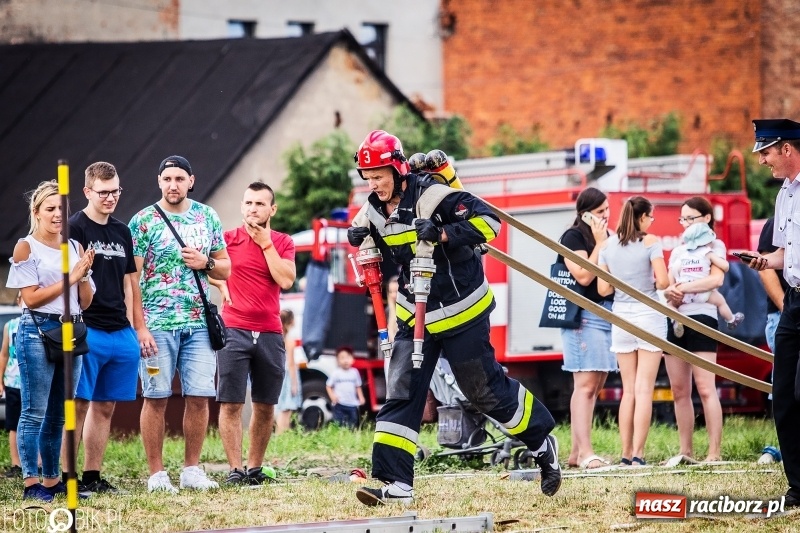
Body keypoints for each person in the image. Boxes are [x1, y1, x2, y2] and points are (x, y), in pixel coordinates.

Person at [347, 130, 560, 505]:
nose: (374, 184)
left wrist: (444, 233)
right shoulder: (373, 210)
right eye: (369, 178)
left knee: (484, 391)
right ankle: (396, 484)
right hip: (417, 313)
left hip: (463, 310)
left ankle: (542, 443)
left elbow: (490, 223)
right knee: (402, 389)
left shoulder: (434, 195)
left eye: (380, 175)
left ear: (397, 170)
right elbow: (389, 256)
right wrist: (363, 239)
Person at [129, 156, 231, 493]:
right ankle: (157, 474)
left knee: (200, 397)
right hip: (157, 324)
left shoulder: (206, 216)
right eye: (167, 178)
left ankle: (191, 469)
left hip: (199, 323)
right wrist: (139, 326)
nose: (173, 185)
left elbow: (225, 269)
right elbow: (133, 278)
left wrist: (207, 261)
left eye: (179, 179)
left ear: (191, 180)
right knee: (156, 397)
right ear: (159, 181)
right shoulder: (142, 221)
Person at [6, 180, 95, 502]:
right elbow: (30, 299)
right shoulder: (25, 246)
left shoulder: (74, 247)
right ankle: (31, 482)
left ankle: (51, 479)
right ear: (37, 212)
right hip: (37, 331)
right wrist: (70, 276)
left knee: (60, 412)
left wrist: (84, 274)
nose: (58, 215)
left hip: (71, 330)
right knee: (35, 411)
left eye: (62, 209)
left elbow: (84, 301)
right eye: (51, 209)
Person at [59, 162, 144, 495]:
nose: (111, 198)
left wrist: (137, 327)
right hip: (86, 326)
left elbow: (130, 283)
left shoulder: (122, 231)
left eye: (116, 191)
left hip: (119, 330)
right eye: (104, 192)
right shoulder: (74, 228)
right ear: (87, 192)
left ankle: (93, 475)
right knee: (78, 403)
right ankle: (69, 477)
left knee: (105, 405)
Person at [211, 182, 296, 485]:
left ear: (272, 209)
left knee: (265, 405)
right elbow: (209, 269)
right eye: (248, 203)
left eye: (260, 204)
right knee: (231, 403)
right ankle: (235, 470)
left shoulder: (283, 241)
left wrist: (266, 245)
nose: (253, 209)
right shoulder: (227, 240)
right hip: (234, 328)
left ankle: (255, 468)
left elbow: (286, 280)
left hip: (271, 331)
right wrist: (220, 285)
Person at [744, 118, 800, 508]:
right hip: (795, 301)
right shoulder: (784, 194)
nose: (762, 161)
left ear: (787, 149)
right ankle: (798, 486)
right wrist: (764, 261)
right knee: (783, 395)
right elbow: (784, 253)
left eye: (765, 152)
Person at [597, 196, 669, 465]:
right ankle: (639, 454)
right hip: (648, 316)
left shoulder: (606, 246)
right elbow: (662, 282)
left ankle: (625, 454)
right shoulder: (650, 242)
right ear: (641, 218)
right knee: (644, 390)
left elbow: (603, 290)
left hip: (621, 318)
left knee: (628, 391)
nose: (652, 221)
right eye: (650, 217)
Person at [663, 196, 725, 462]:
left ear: (707, 218)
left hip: (702, 317)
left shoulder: (714, 245)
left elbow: (716, 279)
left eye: (691, 218)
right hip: (677, 318)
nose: (686, 223)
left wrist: (685, 288)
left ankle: (714, 452)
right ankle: (685, 450)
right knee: (679, 390)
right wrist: (672, 294)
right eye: (683, 218)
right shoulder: (678, 250)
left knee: (705, 386)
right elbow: (668, 285)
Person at [558, 187, 616, 469]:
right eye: (600, 212)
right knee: (585, 385)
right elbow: (582, 275)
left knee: (597, 386)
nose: (606, 216)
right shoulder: (573, 236)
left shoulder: (607, 237)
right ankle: (585, 454)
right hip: (582, 316)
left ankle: (576, 452)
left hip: (606, 314)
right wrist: (600, 244)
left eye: (607, 210)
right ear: (585, 213)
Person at [668, 221, 744, 338]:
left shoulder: (682, 255)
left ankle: (677, 321)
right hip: (703, 293)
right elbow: (725, 266)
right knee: (721, 301)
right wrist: (724, 264)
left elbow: (674, 272)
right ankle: (731, 319)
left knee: (670, 305)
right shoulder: (707, 252)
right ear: (706, 241)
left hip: (683, 293)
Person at [0, 296, 22, 478]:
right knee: (14, 425)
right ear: (18, 301)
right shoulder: (11, 326)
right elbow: (4, 354)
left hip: (35, 382)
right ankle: (16, 464)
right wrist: (0, 380)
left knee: (37, 424)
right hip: (14, 382)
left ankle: (37, 463)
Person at [275, 309, 302, 434]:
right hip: (288, 376)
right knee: (286, 409)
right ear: (290, 321)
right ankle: (281, 434)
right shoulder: (289, 341)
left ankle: (281, 434)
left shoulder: (278, 338)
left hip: (280, 373)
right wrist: (294, 384)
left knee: (283, 407)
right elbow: (291, 363)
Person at [326, 346, 365, 428]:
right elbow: (328, 386)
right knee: (339, 423)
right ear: (337, 360)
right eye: (342, 358)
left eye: (347, 357)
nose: (345, 360)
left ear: (352, 359)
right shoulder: (336, 373)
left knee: (353, 423)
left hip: (352, 404)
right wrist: (332, 396)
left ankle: (351, 436)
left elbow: (358, 386)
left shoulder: (354, 372)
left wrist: (361, 397)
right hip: (339, 403)